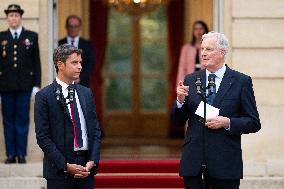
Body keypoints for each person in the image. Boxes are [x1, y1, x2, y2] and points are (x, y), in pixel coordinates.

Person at [172, 31, 261, 189]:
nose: (204, 53)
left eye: (209, 49)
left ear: (223, 52)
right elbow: (177, 121)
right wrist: (179, 101)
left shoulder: (241, 81)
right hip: (193, 163)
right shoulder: (191, 80)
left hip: (225, 164)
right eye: (202, 49)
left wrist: (227, 122)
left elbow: (253, 122)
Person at [34, 44, 101, 189]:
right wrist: (65, 165)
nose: (80, 67)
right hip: (59, 170)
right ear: (60, 65)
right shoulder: (44, 96)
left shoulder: (86, 93)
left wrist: (92, 160)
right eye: (74, 62)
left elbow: (95, 130)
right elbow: (42, 137)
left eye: (80, 62)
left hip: (85, 167)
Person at [0, 4, 41, 164]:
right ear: (7, 18)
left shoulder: (31, 36)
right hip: (5, 87)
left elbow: (36, 62)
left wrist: (36, 85)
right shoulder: (1, 37)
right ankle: (11, 154)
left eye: (16, 15)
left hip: (25, 86)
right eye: (11, 16)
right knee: (8, 121)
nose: (14, 18)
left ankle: (21, 154)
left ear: (20, 17)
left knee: (23, 120)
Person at [58, 15, 95, 87]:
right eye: (70, 26)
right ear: (66, 27)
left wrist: (79, 78)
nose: (73, 29)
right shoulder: (59, 44)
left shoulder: (87, 45)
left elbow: (91, 64)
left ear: (79, 27)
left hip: (82, 84)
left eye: (75, 26)